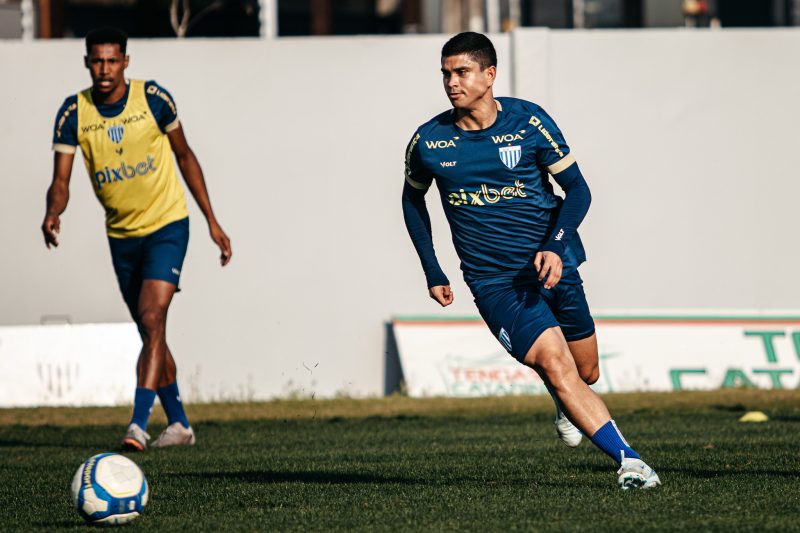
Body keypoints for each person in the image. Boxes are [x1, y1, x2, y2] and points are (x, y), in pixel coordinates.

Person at [401, 31, 660, 489]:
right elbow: (412, 201)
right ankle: (632, 463)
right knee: (557, 367)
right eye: (446, 73)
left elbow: (578, 190)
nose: (451, 83)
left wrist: (556, 247)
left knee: (586, 372)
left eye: (461, 72)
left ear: (489, 75)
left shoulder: (529, 122)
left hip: (555, 264)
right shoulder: (429, 141)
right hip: (496, 282)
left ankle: (566, 400)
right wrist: (433, 269)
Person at [42, 27, 232, 451]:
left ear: (126, 61)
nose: (105, 69)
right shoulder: (74, 113)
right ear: (87, 63)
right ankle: (180, 424)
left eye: (112, 60)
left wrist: (211, 221)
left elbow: (185, 156)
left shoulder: (153, 99)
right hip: (121, 237)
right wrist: (54, 212)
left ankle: (138, 425)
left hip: (168, 224)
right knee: (152, 331)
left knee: (152, 318)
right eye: (97, 61)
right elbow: (61, 180)